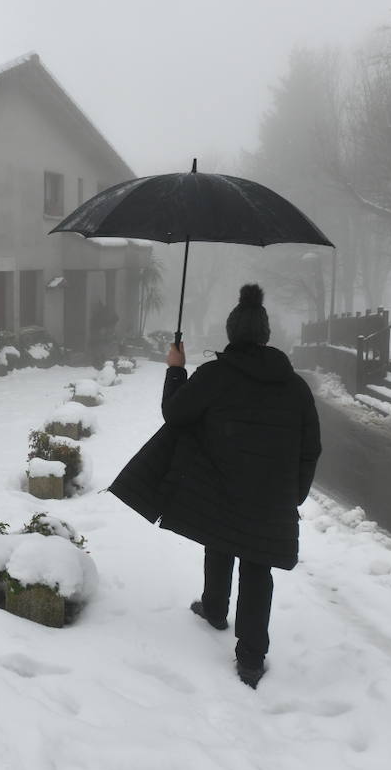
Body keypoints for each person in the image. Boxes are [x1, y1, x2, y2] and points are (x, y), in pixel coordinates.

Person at [108, 283, 321, 688]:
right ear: (265, 334)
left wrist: (175, 368)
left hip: (222, 485)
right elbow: (311, 448)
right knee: (257, 566)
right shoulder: (295, 388)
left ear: (231, 333)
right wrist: (293, 494)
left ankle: (215, 609)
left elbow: (175, 415)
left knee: (221, 537)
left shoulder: (215, 376)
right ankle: (251, 658)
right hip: (269, 499)